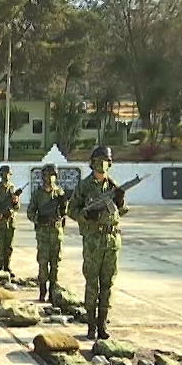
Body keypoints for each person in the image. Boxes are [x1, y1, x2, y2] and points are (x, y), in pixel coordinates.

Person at [68, 146, 129, 340]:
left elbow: (122, 211)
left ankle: (103, 325)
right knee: (92, 283)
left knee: (108, 283)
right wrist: (86, 216)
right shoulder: (84, 186)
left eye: (106, 160)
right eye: (99, 160)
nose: (103, 164)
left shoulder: (113, 186)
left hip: (111, 240)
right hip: (93, 240)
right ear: (92, 163)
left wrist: (119, 202)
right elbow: (71, 210)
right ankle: (91, 326)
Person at [27, 164, 67, 302]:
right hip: (43, 233)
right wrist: (39, 219)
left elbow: (64, 214)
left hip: (56, 232)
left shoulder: (59, 193)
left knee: (56, 263)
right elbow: (30, 213)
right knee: (43, 263)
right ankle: (42, 291)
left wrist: (63, 206)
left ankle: (52, 292)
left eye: (52, 175)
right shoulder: (38, 194)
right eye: (47, 175)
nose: (49, 178)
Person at [0, 165, 21, 275]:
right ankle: (1, 266)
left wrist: (16, 201)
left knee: (9, 245)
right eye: (4, 174)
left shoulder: (13, 189)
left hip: (10, 221)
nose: (6, 176)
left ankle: (7, 266)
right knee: (0, 244)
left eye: (8, 174)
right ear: (1, 175)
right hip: (0, 222)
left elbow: (17, 207)